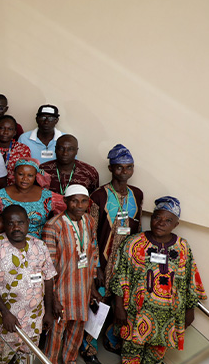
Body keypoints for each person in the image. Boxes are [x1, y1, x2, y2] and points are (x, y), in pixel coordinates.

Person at [112, 196, 206, 363]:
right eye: (157, 217)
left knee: (155, 359)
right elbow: (120, 275)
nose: (161, 223)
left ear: (176, 224)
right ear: (152, 218)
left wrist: (190, 310)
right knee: (130, 357)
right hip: (135, 316)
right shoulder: (134, 243)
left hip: (167, 318)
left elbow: (189, 280)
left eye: (168, 220)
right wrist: (119, 306)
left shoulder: (182, 247)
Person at [0, 205, 56, 364]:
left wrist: (48, 311)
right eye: (10, 223)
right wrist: (4, 313)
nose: (16, 228)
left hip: (35, 320)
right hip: (8, 321)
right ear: (4, 224)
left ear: (28, 223)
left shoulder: (40, 246)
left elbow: (48, 279)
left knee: (27, 359)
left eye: (20, 223)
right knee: (1, 358)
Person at [90, 144, 143, 354]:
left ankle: (112, 339)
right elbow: (90, 233)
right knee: (98, 304)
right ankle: (88, 347)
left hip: (127, 262)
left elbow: (138, 227)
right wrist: (96, 267)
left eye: (129, 167)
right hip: (103, 261)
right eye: (119, 167)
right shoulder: (99, 196)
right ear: (111, 168)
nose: (124, 172)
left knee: (121, 302)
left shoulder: (137, 194)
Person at [42, 185, 102, 364]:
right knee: (56, 331)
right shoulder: (53, 226)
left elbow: (93, 254)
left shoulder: (89, 221)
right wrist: (53, 298)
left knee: (77, 328)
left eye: (83, 201)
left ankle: (70, 360)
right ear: (65, 201)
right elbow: (48, 266)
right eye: (74, 200)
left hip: (82, 289)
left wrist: (92, 287)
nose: (79, 205)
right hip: (61, 289)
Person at [0, 158, 65, 239]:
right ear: (14, 174)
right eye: (21, 174)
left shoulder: (47, 196)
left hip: (41, 245)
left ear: (36, 176)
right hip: (8, 244)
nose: (25, 178)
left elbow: (66, 214)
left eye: (30, 175)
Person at [0, 115, 31, 185]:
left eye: (10, 129)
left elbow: (28, 173)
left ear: (15, 132)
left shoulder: (23, 149)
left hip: (17, 191)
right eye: (2, 128)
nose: (5, 132)